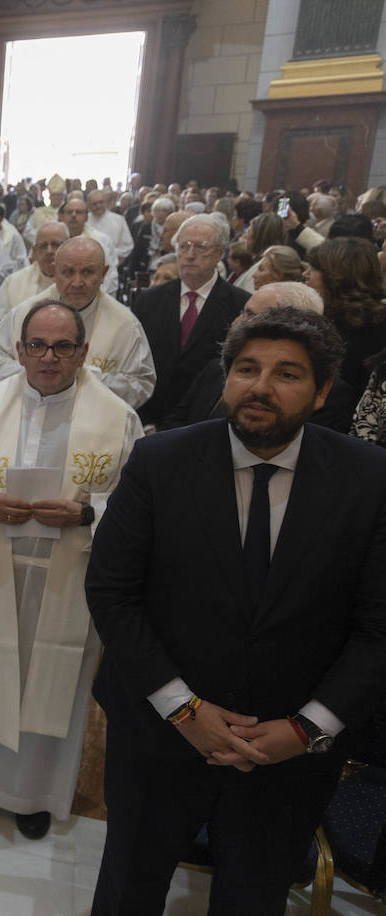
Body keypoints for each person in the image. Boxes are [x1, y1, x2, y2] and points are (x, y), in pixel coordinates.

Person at [85, 306, 386, 915]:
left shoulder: (368, 478)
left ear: (323, 390)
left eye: (287, 374)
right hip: (160, 733)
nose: (260, 387)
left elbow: (379, 627)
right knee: (128, 887)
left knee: (253, 897)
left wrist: (307, 728)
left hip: (287, 751)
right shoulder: (160, 461)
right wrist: (183, 707)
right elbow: (112, 592)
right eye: (246, 369)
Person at [0, 300, 142, 840]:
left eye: (62, 346)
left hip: (67, 578)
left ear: (83, 352)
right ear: (19, 350)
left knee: (51, 682)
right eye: (38, 345)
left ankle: (34, 794)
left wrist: (86, 513)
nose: (49, 357)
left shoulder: (118, 419)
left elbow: (139, 500)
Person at [0, 237, 156, 409]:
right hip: (30, 412)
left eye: (88, 272)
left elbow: (142, 383)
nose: (77, 283)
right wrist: (36, 375)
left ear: (103, 274)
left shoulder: (125, 325)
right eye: (68, 272)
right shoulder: (24, 314)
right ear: (54, 272)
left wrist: (84, 378)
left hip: (92, 419)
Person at [162, 282, 357, 432]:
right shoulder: (215, 368)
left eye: (252, 316)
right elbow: (176, 422)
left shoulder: (332, 396)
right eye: (247, 370)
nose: (237, 322)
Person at [133, 214, 250, 427]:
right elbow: (134, 364)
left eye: (200, 247)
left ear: (219, 253)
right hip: (148, 419)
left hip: (205, 424)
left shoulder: (240, 305)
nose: (190, 254)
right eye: (184, 246)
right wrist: (145, 422)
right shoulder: (148, 301)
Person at [305, 236, 386, 400]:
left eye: (313, 268)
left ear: (336, 276)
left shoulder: (374, 332)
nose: (305, 274)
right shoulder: (328, 318)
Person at [0, 221, 67, 330]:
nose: (49, 251)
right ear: (35, 251)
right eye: (43, 246)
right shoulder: (13, 283)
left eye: (55, 245)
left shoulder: (77, 284)